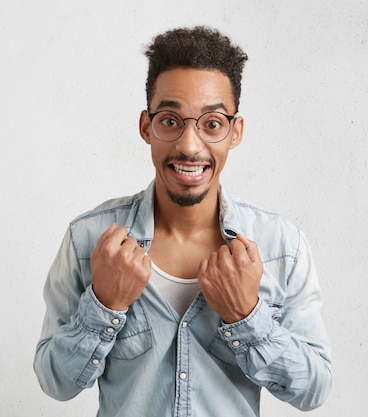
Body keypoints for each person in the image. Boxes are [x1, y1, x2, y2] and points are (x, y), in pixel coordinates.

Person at [34, 26, 332, 417]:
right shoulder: (87, 240)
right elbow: (54, 382)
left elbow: (313, 390)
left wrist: (247, 317)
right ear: (146, 126)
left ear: (235, 131)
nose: (190, 146)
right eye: (171, 121)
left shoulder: (282, 247)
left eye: (211, 123)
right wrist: (104, 304)